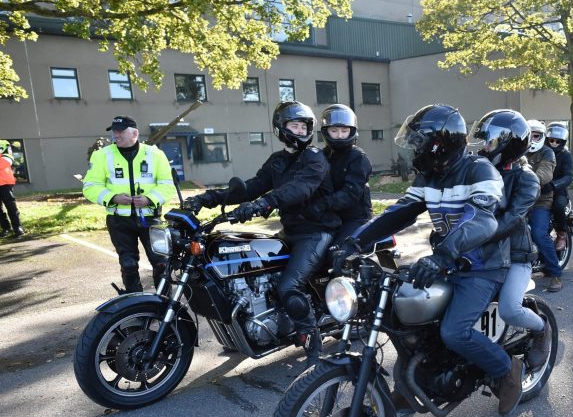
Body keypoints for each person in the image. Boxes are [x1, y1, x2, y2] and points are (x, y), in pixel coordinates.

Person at [332, 103, 523, 416]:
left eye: (418, 143)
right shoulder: (429, 178)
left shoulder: (479, 170)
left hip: (482, 266)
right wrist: (354, 243)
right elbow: (399, 212)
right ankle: (410, 387)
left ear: (439, 144)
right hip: (446, 261)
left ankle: (506, 370)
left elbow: (482, 219)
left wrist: (442, 255)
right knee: (398, 316)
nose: (414, 150)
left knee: (454, 331)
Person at [184, 101, 338, 349]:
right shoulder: (277, 160)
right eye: (294, 126)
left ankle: (312, 340)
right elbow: (251, 187)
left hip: (315, 232)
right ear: (281, 128)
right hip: (290, 231)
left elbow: (300, 188)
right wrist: (208, 198)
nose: (300, 131)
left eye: (303, 127)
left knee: (289, 286)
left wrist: (265, 203)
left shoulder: (314, 158)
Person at [468, 109, 552, 366]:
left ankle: (541, 329)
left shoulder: (526, 179)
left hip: (515, 254)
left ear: (508, 144)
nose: (483, 147)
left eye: (489, 141)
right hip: (482, 255)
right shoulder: (477, 170)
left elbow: (511, 219)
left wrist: (471, 238)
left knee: (510, 309)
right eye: (482, 140)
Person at [83, 116, 175, 293]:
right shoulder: (102, 155)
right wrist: (113, 197)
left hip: (150, 218)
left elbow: (167, 185)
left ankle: (165, 305)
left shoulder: (155, 154)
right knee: (129, 264)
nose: (116, 135)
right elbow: (90, 187)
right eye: (114, 131)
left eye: (120, 131)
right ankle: (135, 304)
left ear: (135, 133)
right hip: (120, 221)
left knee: (161, 263)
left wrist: (149, 199)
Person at [308, 104, 372, 244]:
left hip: (355, 218)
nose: (339, 135)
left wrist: (322, 204)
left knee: (337, 253)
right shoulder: (323, 155)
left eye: (344, 130)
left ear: (352, 131)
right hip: (329, 216)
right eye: (334, 130)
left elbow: (351, 193)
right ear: (326, 131)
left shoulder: (358, 157)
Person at [526, 119, 563, 292]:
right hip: (518, 199)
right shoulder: (518, 150)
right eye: (529, 134)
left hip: (541, 200)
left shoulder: (547, 153)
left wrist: (527, 180)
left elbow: (544, 173)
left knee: (538, 234)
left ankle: (555, 274)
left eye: (536, 135)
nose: (532, 138)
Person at [545, 122, 573, 252]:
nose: (554, 143)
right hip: (539, 189)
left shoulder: (565, 155)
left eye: (558, 141)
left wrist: (553, 185)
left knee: (558, 206)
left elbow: (568, 177)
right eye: (551, 140)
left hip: (559, 192)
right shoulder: (542, 152)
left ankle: (562, 234)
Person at [0, 139, 25, 238]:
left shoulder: (3, 143)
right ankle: (6, 228)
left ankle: (17, 227)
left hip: (5, 182)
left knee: (10, 205)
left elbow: (7, 161)